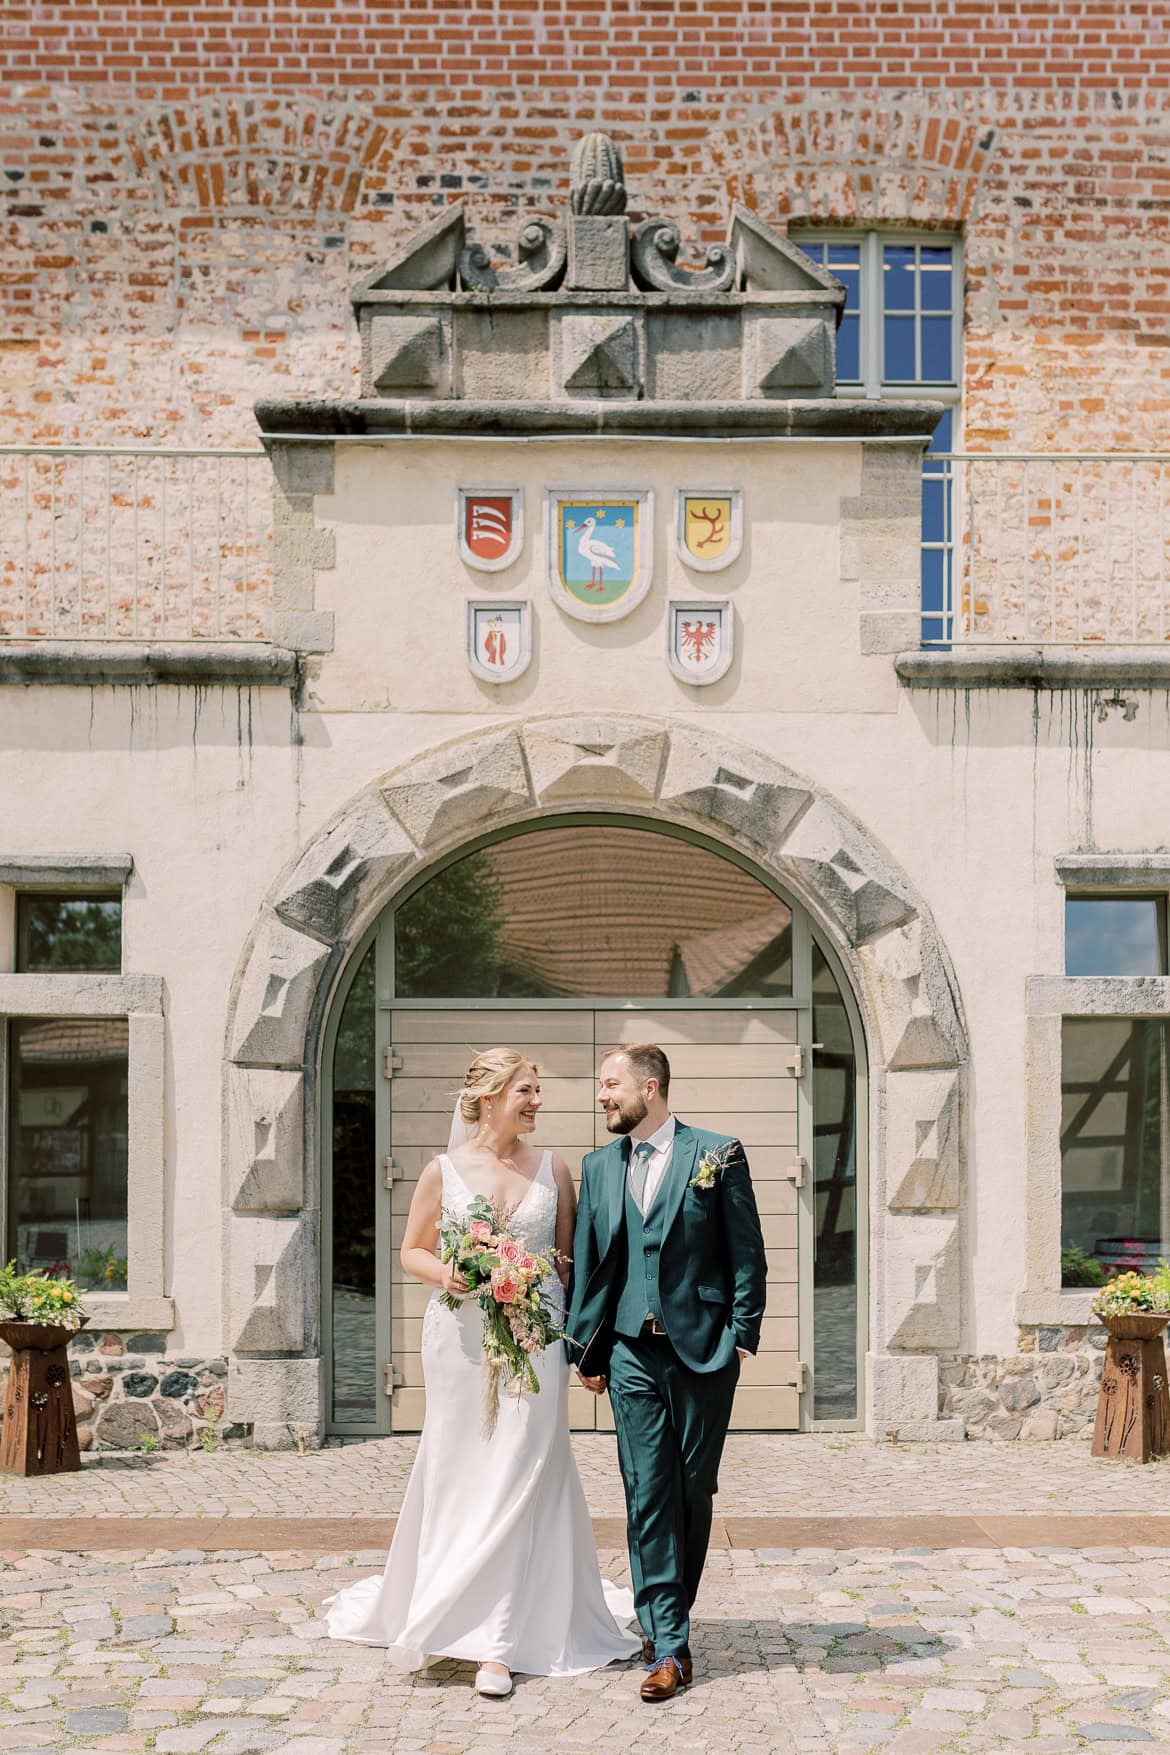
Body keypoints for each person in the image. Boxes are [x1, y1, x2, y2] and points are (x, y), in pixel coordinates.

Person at [324, 1046, 640, 1695]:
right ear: (490, 1095)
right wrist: (457, 1274)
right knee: (461, 1467)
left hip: (536, 1340)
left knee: (524, 1467)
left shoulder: (554, 1168)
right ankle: (445, 1602)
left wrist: (584, 1345)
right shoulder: (444, 1170)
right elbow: (412, 1249)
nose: (537, 1101)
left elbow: (569, 1264)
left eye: (538, 1089)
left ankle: (499, 1641)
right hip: (460, 1341)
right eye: (526, 1089)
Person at [566, 1042, 768, 1703]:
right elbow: (595, 1263)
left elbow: (746, 1254)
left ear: (649, 1086)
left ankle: (664, 1615)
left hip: (704, 1349)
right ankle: (670, 1642)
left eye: (611, 1083)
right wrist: (584, 1351)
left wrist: (741, 1338)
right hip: (629, 1350)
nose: (602, 1095)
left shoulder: (716, 1153)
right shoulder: (599, 1167)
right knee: (646, 1490)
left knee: (691, 1490)